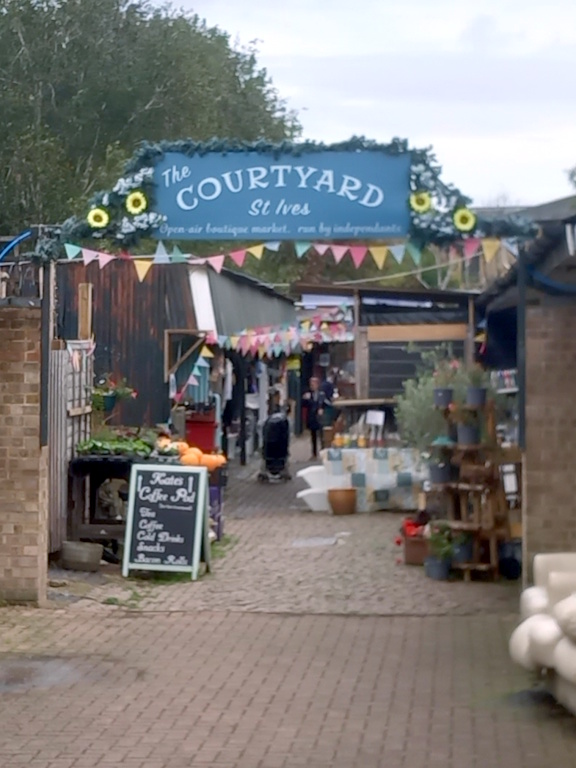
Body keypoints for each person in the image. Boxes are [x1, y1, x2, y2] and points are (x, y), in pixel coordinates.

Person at [303, 377, 326, 459]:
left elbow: (324, 403)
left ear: (317, 385)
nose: (312, 386)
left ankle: (323, 451)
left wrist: (321, 408)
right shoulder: (309, 394)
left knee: (322, 435)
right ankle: (314, 453)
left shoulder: (321, 394)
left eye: (313, 384)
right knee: (313, 436)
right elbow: (305, 405)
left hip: (319, 417)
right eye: (311, 384)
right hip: (312, 416)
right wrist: (305, 399)